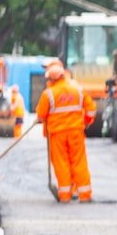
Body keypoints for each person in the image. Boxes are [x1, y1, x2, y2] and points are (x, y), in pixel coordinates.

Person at [37, 61, 95, 203]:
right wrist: (86, 122)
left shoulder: (49, 94)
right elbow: (91, 109)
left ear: (52, 79)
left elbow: (40, 115)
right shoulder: (78, 89)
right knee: (79, 161)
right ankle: (85, 194)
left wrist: (42, 119)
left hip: (57, 134)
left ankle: (65, 195)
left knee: (61, 163)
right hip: (76, 131)